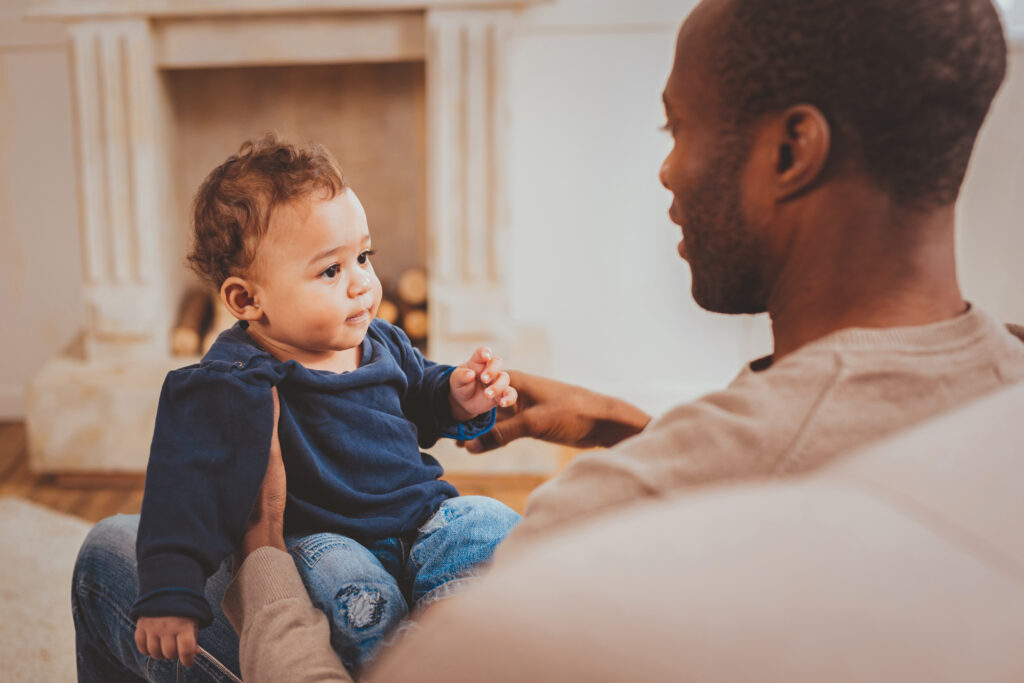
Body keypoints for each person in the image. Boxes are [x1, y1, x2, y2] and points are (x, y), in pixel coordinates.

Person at [73, 0, 1024, 679]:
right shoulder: (1003, 388)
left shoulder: (582, 536)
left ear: (791, 150)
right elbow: (788, 445)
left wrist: (268, 552)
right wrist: (615, 421)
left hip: (342, 567)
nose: (664, 169)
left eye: (677, 128)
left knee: (117, 554)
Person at [76, 136, 520, 682]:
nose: (361, 283)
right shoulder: (232, 379)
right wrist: (169, 589)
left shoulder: (381, 340)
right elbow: (182, 480)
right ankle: (404, 658)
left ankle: (451, 640)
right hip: (328, 543)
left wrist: (458, 395)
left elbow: (422, 400)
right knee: (354, 589)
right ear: (247, 300)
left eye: (363, 257)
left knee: (489, 522)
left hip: (424, 522)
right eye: (330, 271)